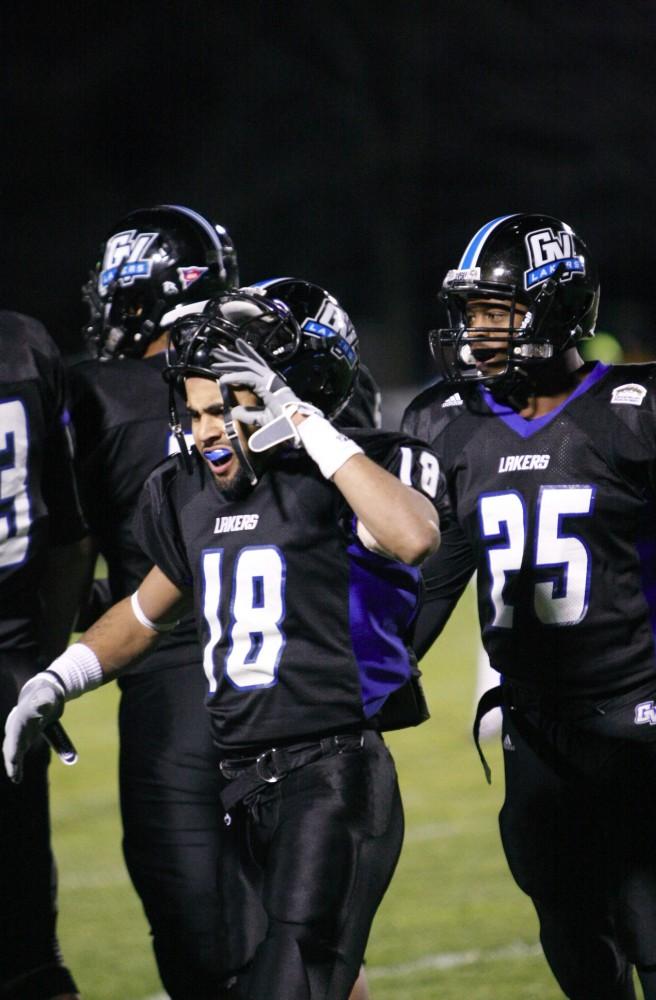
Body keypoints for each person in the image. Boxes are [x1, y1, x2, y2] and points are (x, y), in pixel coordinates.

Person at [21, 285, 446, 999]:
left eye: (222, 408)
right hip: (243, 787)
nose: (204, 432)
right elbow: (142, 614)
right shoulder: (189, 494)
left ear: (287, 391)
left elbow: (414, 536)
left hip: (331, 777)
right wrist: (57, 678)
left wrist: (306, 424)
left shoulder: (350, 472)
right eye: (191, 413)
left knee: (293, 977)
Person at [72, 206, 381, 1000]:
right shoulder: (291, 375)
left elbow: (73, 554)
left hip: (188, 690)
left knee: (213, 949)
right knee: (311, 950)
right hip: (295, 677)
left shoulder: (100, 393)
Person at [403, 212, 656, 1000]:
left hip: (639, 718)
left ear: (553, 310)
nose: (476, 335)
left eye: (495, 314)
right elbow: (425, 585)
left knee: (652, 924)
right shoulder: (447, 425)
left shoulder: (636, 407)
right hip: (534, 728)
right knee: (568, 927)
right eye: (470, 316)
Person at [0, 310, 90, 1000]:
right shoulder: (23, 345)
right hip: (13, 672)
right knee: (28, 953)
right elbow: (68, 540)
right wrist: (43, 666)